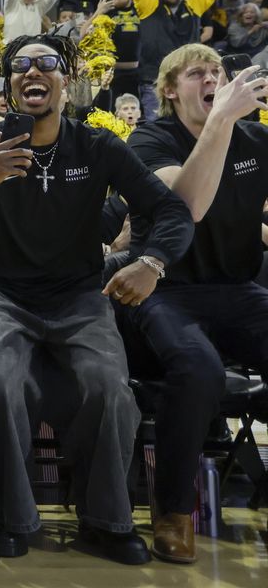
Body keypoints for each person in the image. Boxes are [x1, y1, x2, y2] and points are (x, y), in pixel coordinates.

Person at [0, 34, 193, 565]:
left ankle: (107, 520)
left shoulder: (98, 146)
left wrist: (151, 263)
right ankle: (13, 518)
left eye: (47, 64)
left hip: (79, 296)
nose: (33, 72)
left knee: (110, 389)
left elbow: (170, 210)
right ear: (9, 84)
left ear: (67, 79)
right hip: (0, 295)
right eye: (20, 65)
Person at [126, 45, 268, 564]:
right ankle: (172, 509)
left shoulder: (257, 140)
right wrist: (223, 124)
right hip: (162, 287)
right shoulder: (149, 139)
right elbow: (187, 207)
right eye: (197, 74)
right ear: (169, 89)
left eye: (218, 72)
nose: (212, 80)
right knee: (199, 368)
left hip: (237, 288)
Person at [124, 0, 227, 120]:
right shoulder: (149, 6)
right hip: (155, 82)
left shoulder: (193, 5)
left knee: (194, 128)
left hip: (190, 81)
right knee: (160, 130)